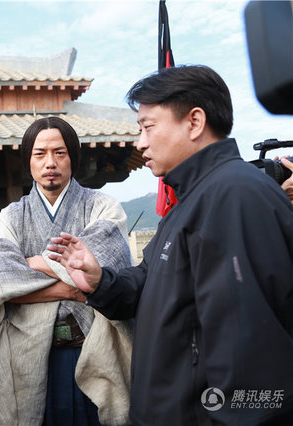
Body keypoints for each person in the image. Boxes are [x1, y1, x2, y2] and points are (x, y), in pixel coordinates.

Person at [48, 65, 293, 425]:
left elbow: (251, 352)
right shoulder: (190, 201)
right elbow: (148, 284)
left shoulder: (233, 196)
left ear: (194, 122)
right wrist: (100, 282)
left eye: (147, 127)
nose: (140, 143)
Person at [0, 116, 133, 425]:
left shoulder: (103, 207)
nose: (50, 163)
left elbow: (109, 268)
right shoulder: (11, 216)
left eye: (60, 152)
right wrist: (75, 289)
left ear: (73, 158)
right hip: (30, 356)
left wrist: (31, 264)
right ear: (28, 161)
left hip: (95, 347)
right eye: (40, 154)